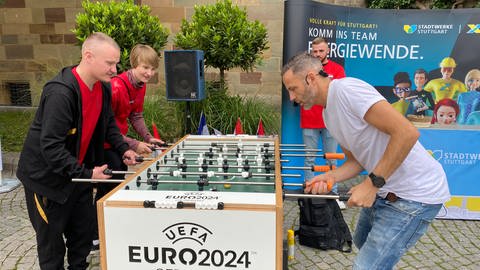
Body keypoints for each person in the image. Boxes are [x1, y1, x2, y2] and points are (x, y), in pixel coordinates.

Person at [281, 52, 450, 270]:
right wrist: (330, 176)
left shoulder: (347, 90)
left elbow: (407, 133)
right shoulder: (327, 114)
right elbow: (356, 161)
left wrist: (370, 185)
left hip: (415, 194)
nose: (292, 98)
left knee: (366, 267)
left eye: (293, 89)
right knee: (362, 242)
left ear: (311, 78)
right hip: (384, 189)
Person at [16, 32, 139, 270]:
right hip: (46, 181)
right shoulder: (61, 93)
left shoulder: (102, 88)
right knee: (51, 246)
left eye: (116, 63)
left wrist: (124, 148)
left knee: (82, 236)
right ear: (88, 56)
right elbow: (51, 147)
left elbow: (108, 124)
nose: (115, 70)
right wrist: (87, 172)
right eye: (110, 63)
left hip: (78, 176)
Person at [92, 44, 164, 250]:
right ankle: (95, 235)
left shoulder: (140, 85)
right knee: (109, 188)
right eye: (145, 68)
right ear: (134, 65)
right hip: (105, 143)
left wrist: (148, 138)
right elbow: (105, 126)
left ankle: (102, 231)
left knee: (113, 186)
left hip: (120, 144)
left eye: (152, 69)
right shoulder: (115, 87)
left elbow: (136, 115)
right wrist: (133, 143)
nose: (149, 73)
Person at [304, 37, 346, 209]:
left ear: (328, 51)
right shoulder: (305, 69)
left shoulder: (337, 69)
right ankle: (308, 191)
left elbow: (340, 92)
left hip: (331, 120)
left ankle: (333, 194)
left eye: (321, 51)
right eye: (315, 51)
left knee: (332, 159)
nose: (318, 54)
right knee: (309, 159)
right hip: (309, 120)